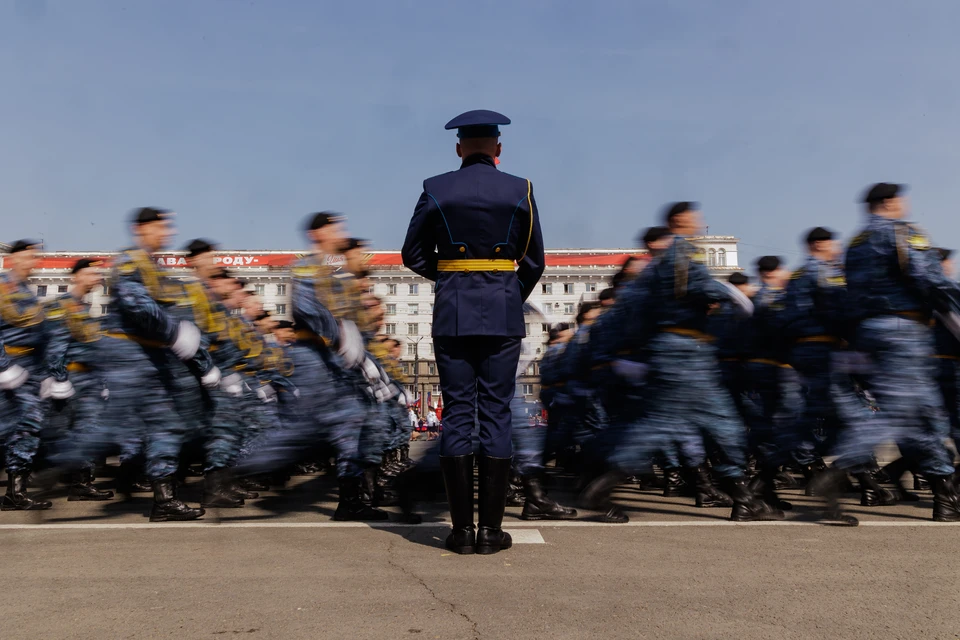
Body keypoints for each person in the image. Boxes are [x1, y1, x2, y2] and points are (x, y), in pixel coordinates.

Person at [401, 109, 545, 555]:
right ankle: (491, 532)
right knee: (497, 412)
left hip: (454, 311)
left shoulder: (435, 188)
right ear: (498, 149)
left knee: (460, 411)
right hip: (502, 311)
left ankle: (461, 531)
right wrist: (504, 290)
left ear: (459, 148)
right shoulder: (520, 188)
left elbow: (412, 253)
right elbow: (534, 259)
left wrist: (451, 278)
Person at [816, 183, 960, 524]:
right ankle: (838, 471)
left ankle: (945, 497)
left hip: (868, 334)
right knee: (903, 412)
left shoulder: (855, 244)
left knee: (920, 412)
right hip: (903, 332)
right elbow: (932, 280)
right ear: (889, 202)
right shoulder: (902, 233)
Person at [43, 258, 114, 502]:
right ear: (76, 276)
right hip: (72, 379)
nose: (96, 277)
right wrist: (60, 379)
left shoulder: (84, 308)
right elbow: (55, 347)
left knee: (84, 430)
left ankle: (78, 481)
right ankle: (63, 476)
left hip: (88, 379)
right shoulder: (63, 306)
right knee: (76, 430)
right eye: (91, 272)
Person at [0, 240, 57, 510]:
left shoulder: (28, 293)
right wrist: (3, 367)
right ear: (12, 260)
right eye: (27, 257)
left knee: (25, 430)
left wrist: (46, 375)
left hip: (28, 371)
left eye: (35, 257)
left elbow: (42, 338)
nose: (32, 262)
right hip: (8, 367)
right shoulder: (2, 286)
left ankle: (15, 492)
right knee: (19, 429)